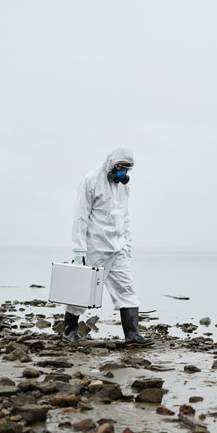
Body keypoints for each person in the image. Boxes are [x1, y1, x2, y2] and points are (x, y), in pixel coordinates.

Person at [63, 147, 153, 347]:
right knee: (82, 291)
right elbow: (80, 216)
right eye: (120, 167)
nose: (123, 172)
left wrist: (128, 244)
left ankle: (132, 335)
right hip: (95, 247)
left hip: (118, 247)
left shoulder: (124, 187)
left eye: (127, 169)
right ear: (111, 164)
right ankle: (69, 331)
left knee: (126, 288)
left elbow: (125, 217)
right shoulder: (91, 181)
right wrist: (79, 249)